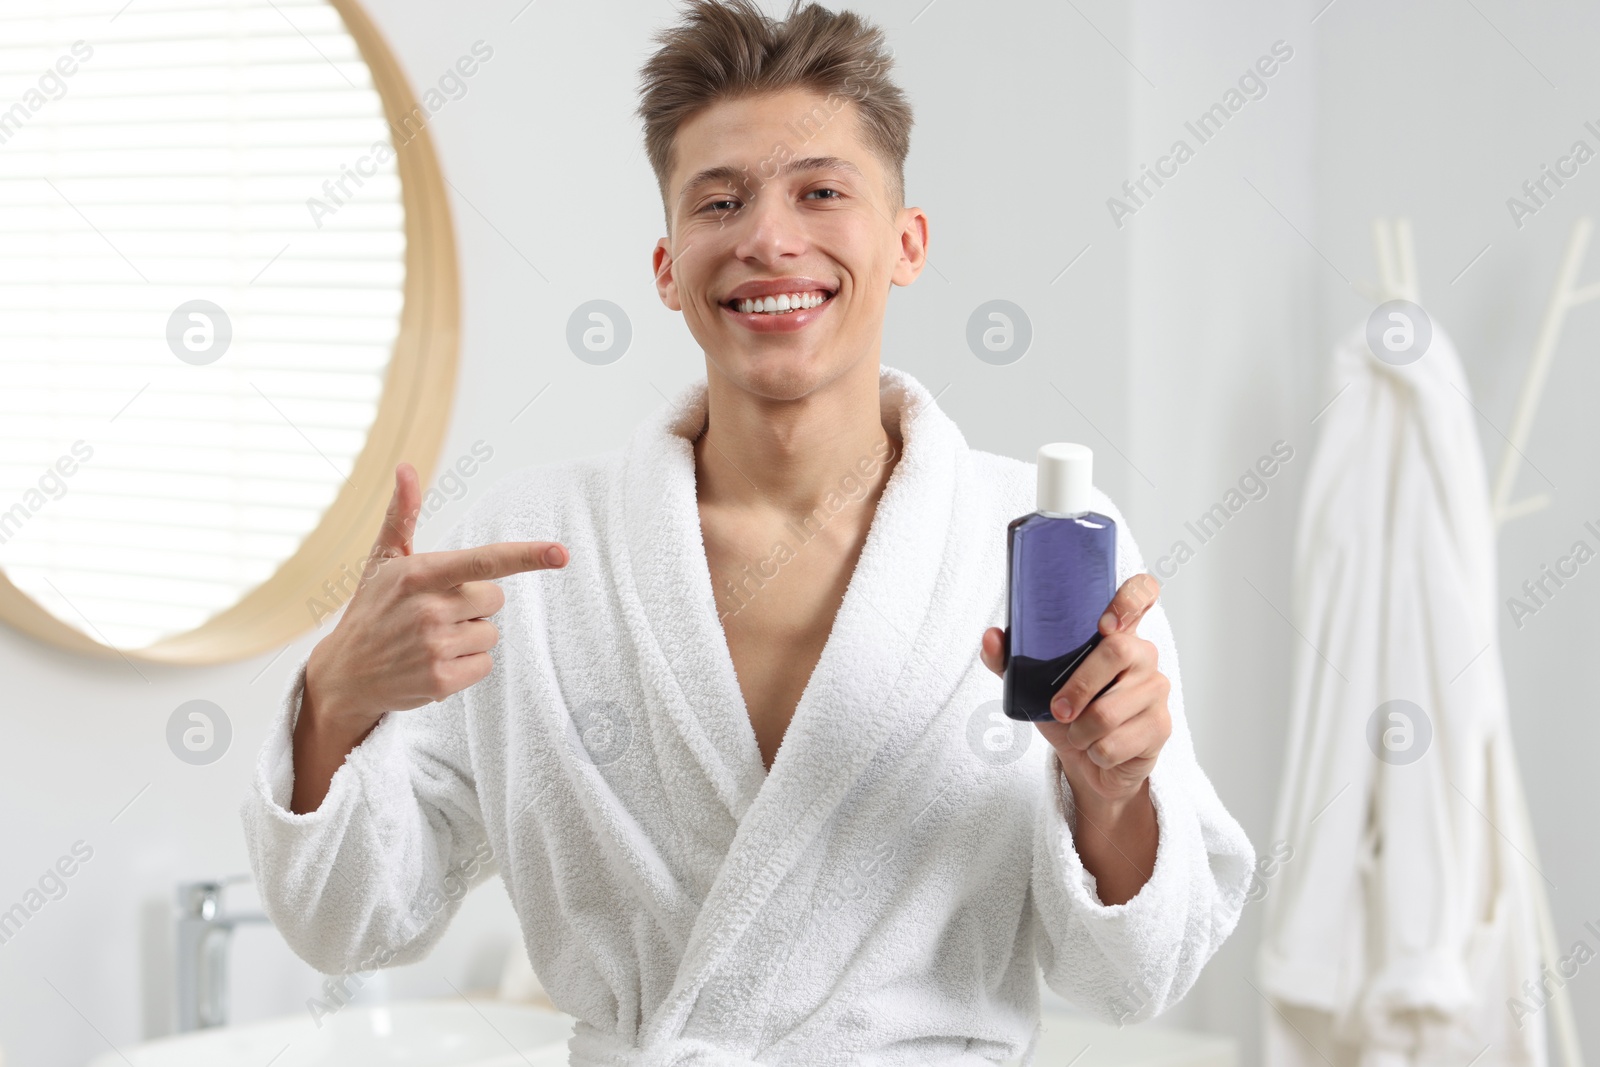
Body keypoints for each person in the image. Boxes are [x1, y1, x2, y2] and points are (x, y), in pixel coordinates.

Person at [241, 2, 1255, 1063]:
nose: (769, 237)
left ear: (906, 243)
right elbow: (349, 919)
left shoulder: (1035, 545)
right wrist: (335, 700)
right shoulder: (532, 550)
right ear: (669, 265)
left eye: (821, 191)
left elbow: (1136, 972)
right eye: (719, 200)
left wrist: (1112, 792)